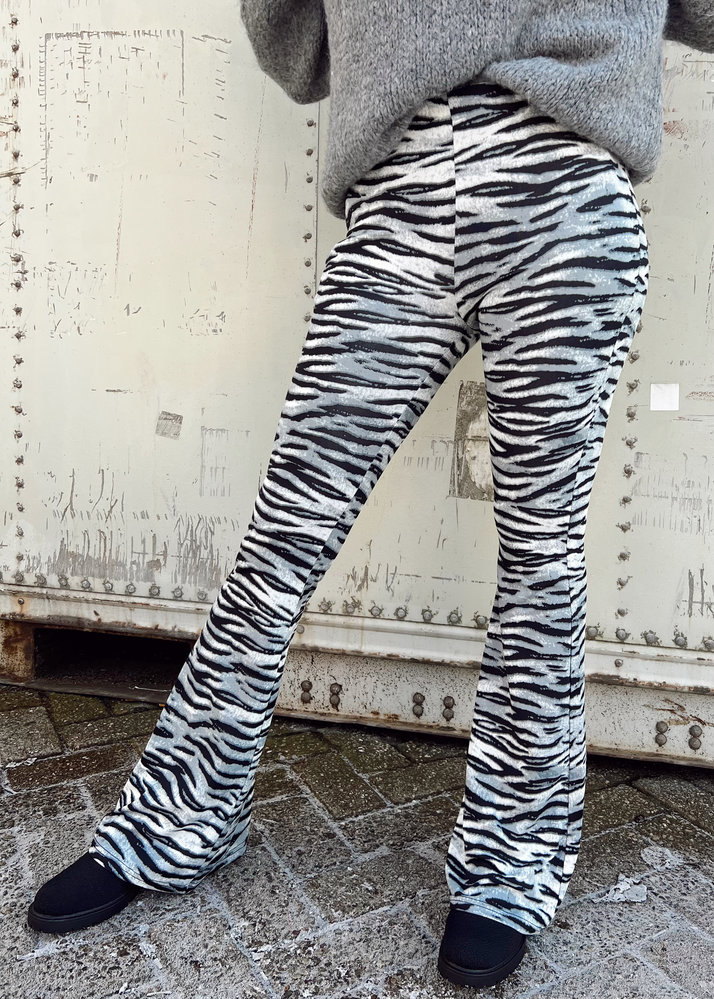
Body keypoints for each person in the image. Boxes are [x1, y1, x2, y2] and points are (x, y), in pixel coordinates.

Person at [27, 2, 713, 991]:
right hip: (399, 199)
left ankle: (510, 868)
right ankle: (181, 817)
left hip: (565, 188)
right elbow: (297, 47)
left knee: (541, 557)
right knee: (285, 536)